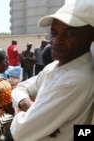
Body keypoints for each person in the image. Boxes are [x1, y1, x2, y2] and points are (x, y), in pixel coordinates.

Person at [10, 0, 94, 140]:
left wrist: (22, 113)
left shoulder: (75, 80)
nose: (56, 40)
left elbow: (19, 133)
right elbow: (20, 87)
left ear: (91, 36)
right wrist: (27, 105)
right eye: (54, 33)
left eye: (70, 33)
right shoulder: (53, 66)